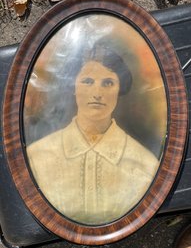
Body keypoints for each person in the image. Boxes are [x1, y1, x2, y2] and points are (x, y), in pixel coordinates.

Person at [27, 42, 159, 225]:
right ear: (74, 86)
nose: (97, 93)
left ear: (119, 89)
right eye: (88, 81)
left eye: (108, 83)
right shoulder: (36, 158)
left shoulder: (146, 165)